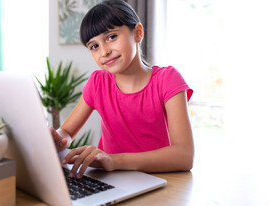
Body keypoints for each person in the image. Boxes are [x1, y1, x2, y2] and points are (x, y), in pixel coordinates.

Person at [51, 0, 194, 179]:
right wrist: (59, 140)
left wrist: (115, 161)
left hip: (161, 181)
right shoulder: (98, 83)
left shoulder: (168, 80)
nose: (104, 52)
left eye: (111, 37)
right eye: (94, 46)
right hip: (112, 180)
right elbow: (67, 132)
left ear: (138, 33)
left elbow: (184, 156)